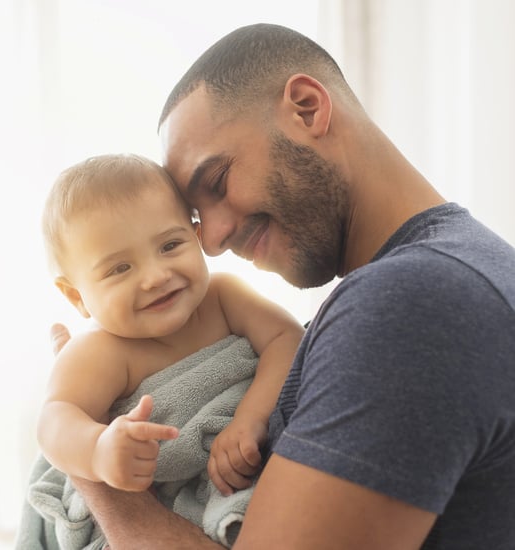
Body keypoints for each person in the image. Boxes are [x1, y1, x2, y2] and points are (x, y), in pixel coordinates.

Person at [58, 24, 515, 550]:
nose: (213, 241)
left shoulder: (413, 305)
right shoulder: (463, 268)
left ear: (306, 107)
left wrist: (91, 467)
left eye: (219, 182)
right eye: (197, 216)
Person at [35, 153, 304, 546]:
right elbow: (54, 420)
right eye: (119, 269)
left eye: (170, 245)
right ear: (77, 295)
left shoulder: (223, 296)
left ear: (196, 237)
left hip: (244, 481)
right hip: (163, 508)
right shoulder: (100, 350)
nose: (156, 276)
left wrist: (250, 417)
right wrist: (97, 450)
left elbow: (288, 339)